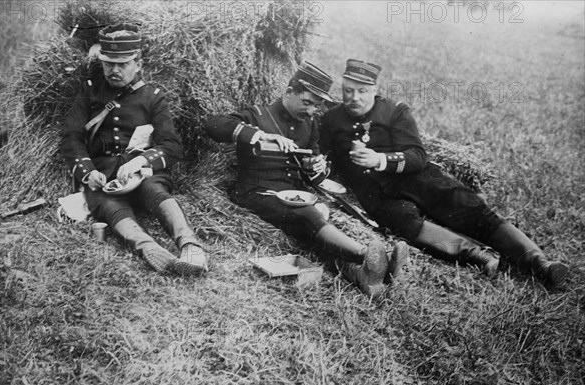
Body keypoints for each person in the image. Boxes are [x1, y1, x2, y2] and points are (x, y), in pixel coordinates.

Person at [320, 58, 569, 289]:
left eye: (362, 91)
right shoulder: (331, 119)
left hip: (414, 177)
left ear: (375, 89)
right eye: (348, 91)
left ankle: (540, 263)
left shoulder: (395, 111)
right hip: (374, 192)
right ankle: (478, 255)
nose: (354, 98)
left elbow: (417, 155)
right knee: (403, 223)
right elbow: (322, 152)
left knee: (465, 205)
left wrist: (380, 159)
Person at [205, 62, 407, 297]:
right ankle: (366, 255)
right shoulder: (258, 115)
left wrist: (316, 167)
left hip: (293, 195)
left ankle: (363, 275)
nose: (312, 111)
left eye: (316, 106)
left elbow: (311, 167)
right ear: (289, 92)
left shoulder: (308, 125)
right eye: (307, 102)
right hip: (255, 193)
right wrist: (259, 135)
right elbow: (213, 125)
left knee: (313, 225)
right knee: (309, 216)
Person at [61, 23, 206, 275]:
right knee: (107, 203)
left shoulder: (153, 97)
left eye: (123, 64)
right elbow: (71, 138)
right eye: (108, 64)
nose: (114, 70)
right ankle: (149, 248)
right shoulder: (89, 92)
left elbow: (171, 145)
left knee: (154, 189)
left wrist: (142, 162)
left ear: (138, 64)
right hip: (104, 173)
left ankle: (190, 246)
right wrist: (87, 173)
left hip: (142, 170)